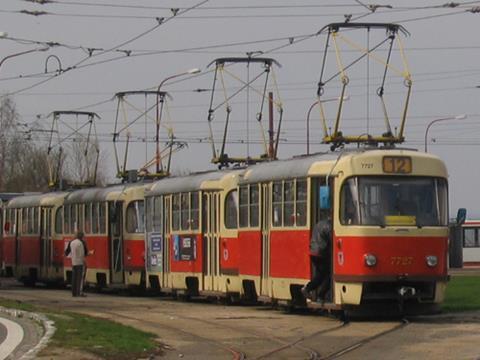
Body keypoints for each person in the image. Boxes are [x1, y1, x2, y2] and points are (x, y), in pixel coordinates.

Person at [302, 219, 332, 302]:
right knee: (330, 275)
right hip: (321, 253)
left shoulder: (319, 224)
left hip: (313, 252)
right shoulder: (329, 227)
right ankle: (319, 294)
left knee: (320, 274)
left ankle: (309, 289)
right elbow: (332, 239)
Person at [65, 231, 89, 297]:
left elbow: (67, 253)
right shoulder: (81, 243)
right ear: (81, 236)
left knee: (74, 278)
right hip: (80, 262)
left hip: (73, 262)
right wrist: (87, 256)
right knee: (80, 278)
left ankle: (74, 293)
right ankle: (79, 292)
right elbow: (83, 254)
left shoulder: (71, 242)